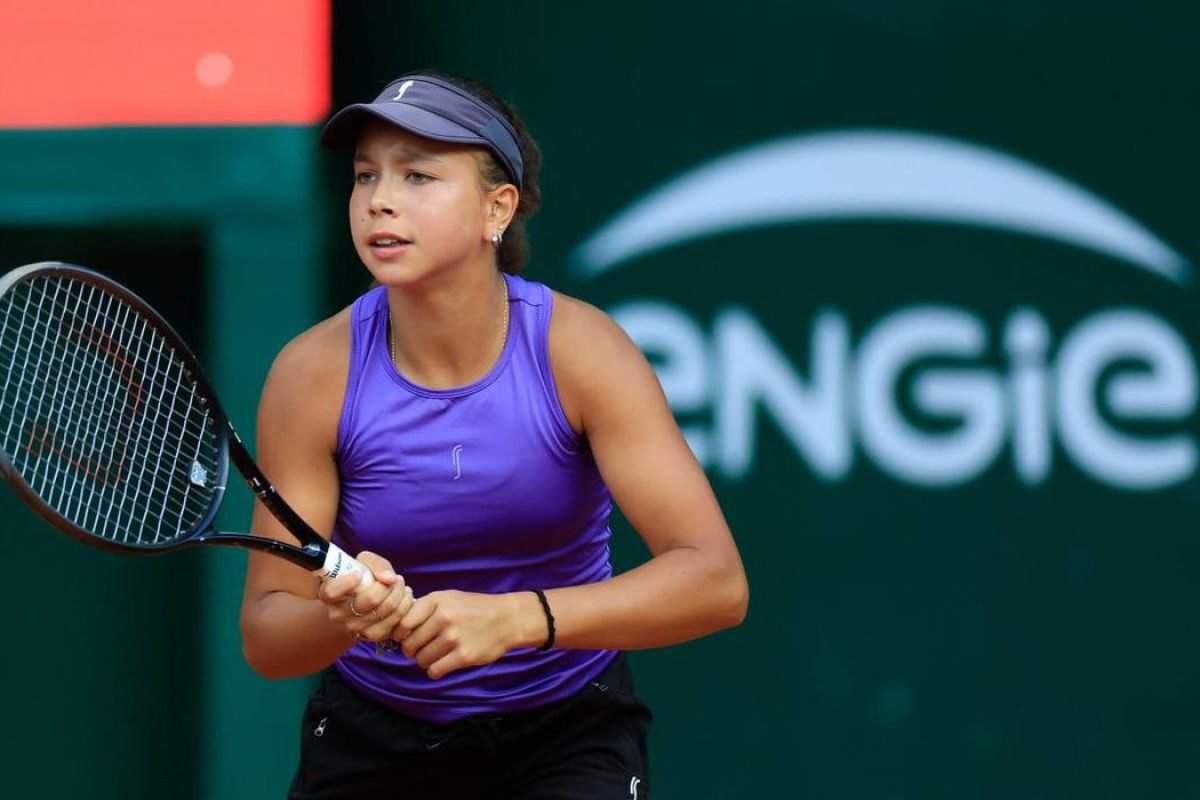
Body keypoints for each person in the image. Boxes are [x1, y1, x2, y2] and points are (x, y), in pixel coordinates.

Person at [239, 71, 749, 799]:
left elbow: (715, 581)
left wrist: (519, 619)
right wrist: (346, 615)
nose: (379, 198)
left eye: (418, 175)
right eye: (364, 176)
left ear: (496, 208)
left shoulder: (581, 351)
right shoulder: (312, 374)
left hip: (565, 731)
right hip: (375, 737)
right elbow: (267, 635)